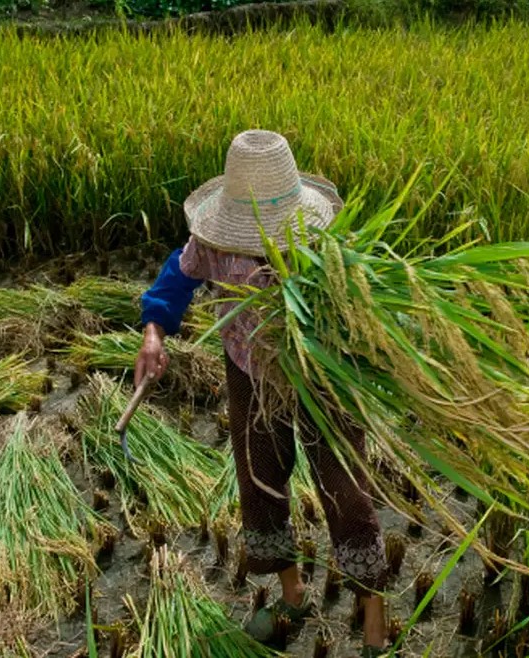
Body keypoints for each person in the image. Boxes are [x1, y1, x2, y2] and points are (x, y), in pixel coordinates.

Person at [134, 129, 390, 657]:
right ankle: (292, 593)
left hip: (320, 374)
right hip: (249, 371)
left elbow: (362, 308)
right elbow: (175, 279)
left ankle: (373, 614)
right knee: (260, 476)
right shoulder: (212, 243)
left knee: (344, 485)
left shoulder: (320, 244)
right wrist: (154, 333)